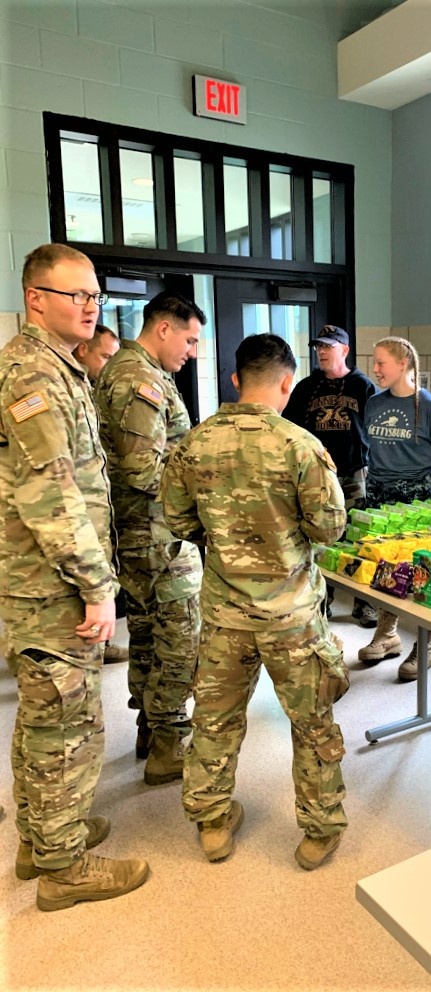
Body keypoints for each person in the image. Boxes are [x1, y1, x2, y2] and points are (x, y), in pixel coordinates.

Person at [159, 333, 348, 870]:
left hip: (223, 614)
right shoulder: (300, 445)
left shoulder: (193, 444)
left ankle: (213, 823)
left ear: (237, 380)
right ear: (287, 382)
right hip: (292, 617)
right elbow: (330, 527)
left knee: (214, 721)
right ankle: (318, 831)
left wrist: (225, 542)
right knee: (312, 724)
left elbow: (177, 520)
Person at [0, 243, 149, 911]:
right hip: (53, 586)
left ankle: (42, 838)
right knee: (67, 720)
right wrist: (97, 586)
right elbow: (51, 496)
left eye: (95, 295)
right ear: (36, 298)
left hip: (45, 580)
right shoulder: (32, 377)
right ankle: (64, 869)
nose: (90, 306)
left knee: (43, 714)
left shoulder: (60, 370)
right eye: (75, 295)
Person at [94, 292, 205, 785]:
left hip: (142, 534)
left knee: (148, 634)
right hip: (158, 534)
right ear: (164, 328)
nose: (192, 351)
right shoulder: (140, 380)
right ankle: (167, 742)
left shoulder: (128, 370)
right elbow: (143, 469)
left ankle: (148, 726)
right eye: (189, 338)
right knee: (180, 639)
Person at [357, 336, 431, 681]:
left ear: (403, 364)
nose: (375, 369)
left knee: (421, 575)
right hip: (380, 497)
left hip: (418, 499)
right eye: (375, 362)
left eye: (381, 363)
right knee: (385, 567)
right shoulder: (373, 403)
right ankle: (387, 633)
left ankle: (425, 645)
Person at [283, 324, 378, 627]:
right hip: (316, 476)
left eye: (328, 347)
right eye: (318, 347)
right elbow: (290, 428)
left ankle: (364, 603)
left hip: (353, 474)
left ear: (344, 350)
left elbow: (374, 432)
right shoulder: (306, 387)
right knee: (320, 538)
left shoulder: (363, 386)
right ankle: (323, 600)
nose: (321, 352)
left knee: (357, 539)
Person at [72, 323, 129, 666]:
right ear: (83, 350)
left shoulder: (90, 387)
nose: (110, 364)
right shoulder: (62, 386)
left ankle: (102, 646)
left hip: (95, 507)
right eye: (105, 356)